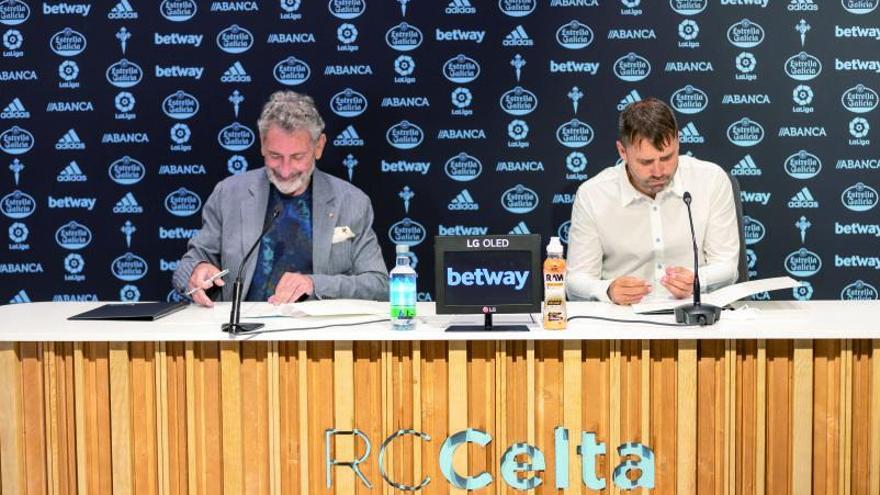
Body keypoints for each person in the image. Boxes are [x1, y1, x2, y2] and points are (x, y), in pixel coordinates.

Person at [173, 91, 388, 306]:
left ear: (319, 146)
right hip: (241, 332)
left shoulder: (351, 201)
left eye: (297, 157)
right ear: (262, 145)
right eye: (275, 156)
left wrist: (315, 285)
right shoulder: (229, 194)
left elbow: (379, 285)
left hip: (320, 333)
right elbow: (188, 265)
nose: (285, 171)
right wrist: (197, 271)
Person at [566, 97, 739, 305]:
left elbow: (728, 265)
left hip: (695, 315)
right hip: (622, 321)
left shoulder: (711, 180)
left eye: (667, 157)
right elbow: (576, 280)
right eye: (646, 162)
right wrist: (608, 289)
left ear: (678, 140)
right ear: (623, 151)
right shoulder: (593, 194)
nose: (659, 171)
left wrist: (697, 279)